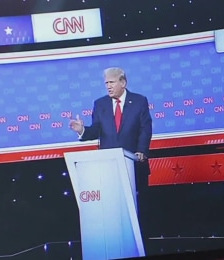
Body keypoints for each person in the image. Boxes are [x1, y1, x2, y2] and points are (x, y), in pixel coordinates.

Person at [69, 67, 154, 254]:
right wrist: (82, 131)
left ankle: (141, 249)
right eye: (106, 83)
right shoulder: (100, 104)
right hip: (109, 170)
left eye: (112, 82)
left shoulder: (139, 101)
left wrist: (141, 151)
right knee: (114, 213)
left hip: (135, 166)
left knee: (139, 213)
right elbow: (96, 130)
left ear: (123, 82)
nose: (108, 86)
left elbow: (145, 129)